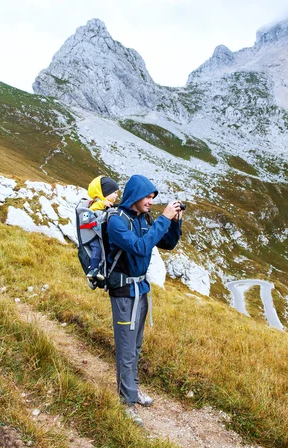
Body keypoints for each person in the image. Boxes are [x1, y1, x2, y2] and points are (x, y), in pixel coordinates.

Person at [106, 174, 182, 427]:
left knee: (135, 346)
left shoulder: (143, 219)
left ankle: (132, 390)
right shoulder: (117, 221)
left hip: (141, 290)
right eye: (147, 197)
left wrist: (175, 223)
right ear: (135, 196)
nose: (150, 201)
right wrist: (164, 218)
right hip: (124, 293)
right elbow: (139, 247)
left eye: (153, 198)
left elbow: (168, 243)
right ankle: (126, 402)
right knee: (126, 349)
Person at [86, 175, 119, 281]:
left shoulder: (105, 204)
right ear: (105, 193)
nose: (116, 196)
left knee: (103, 250)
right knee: (97, 249)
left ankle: (99, 271)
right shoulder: (97, 203)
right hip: (93, 235)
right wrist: (102, 203)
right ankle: (93, 269)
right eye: (114, 193)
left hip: (99, 233)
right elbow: (92, 209)